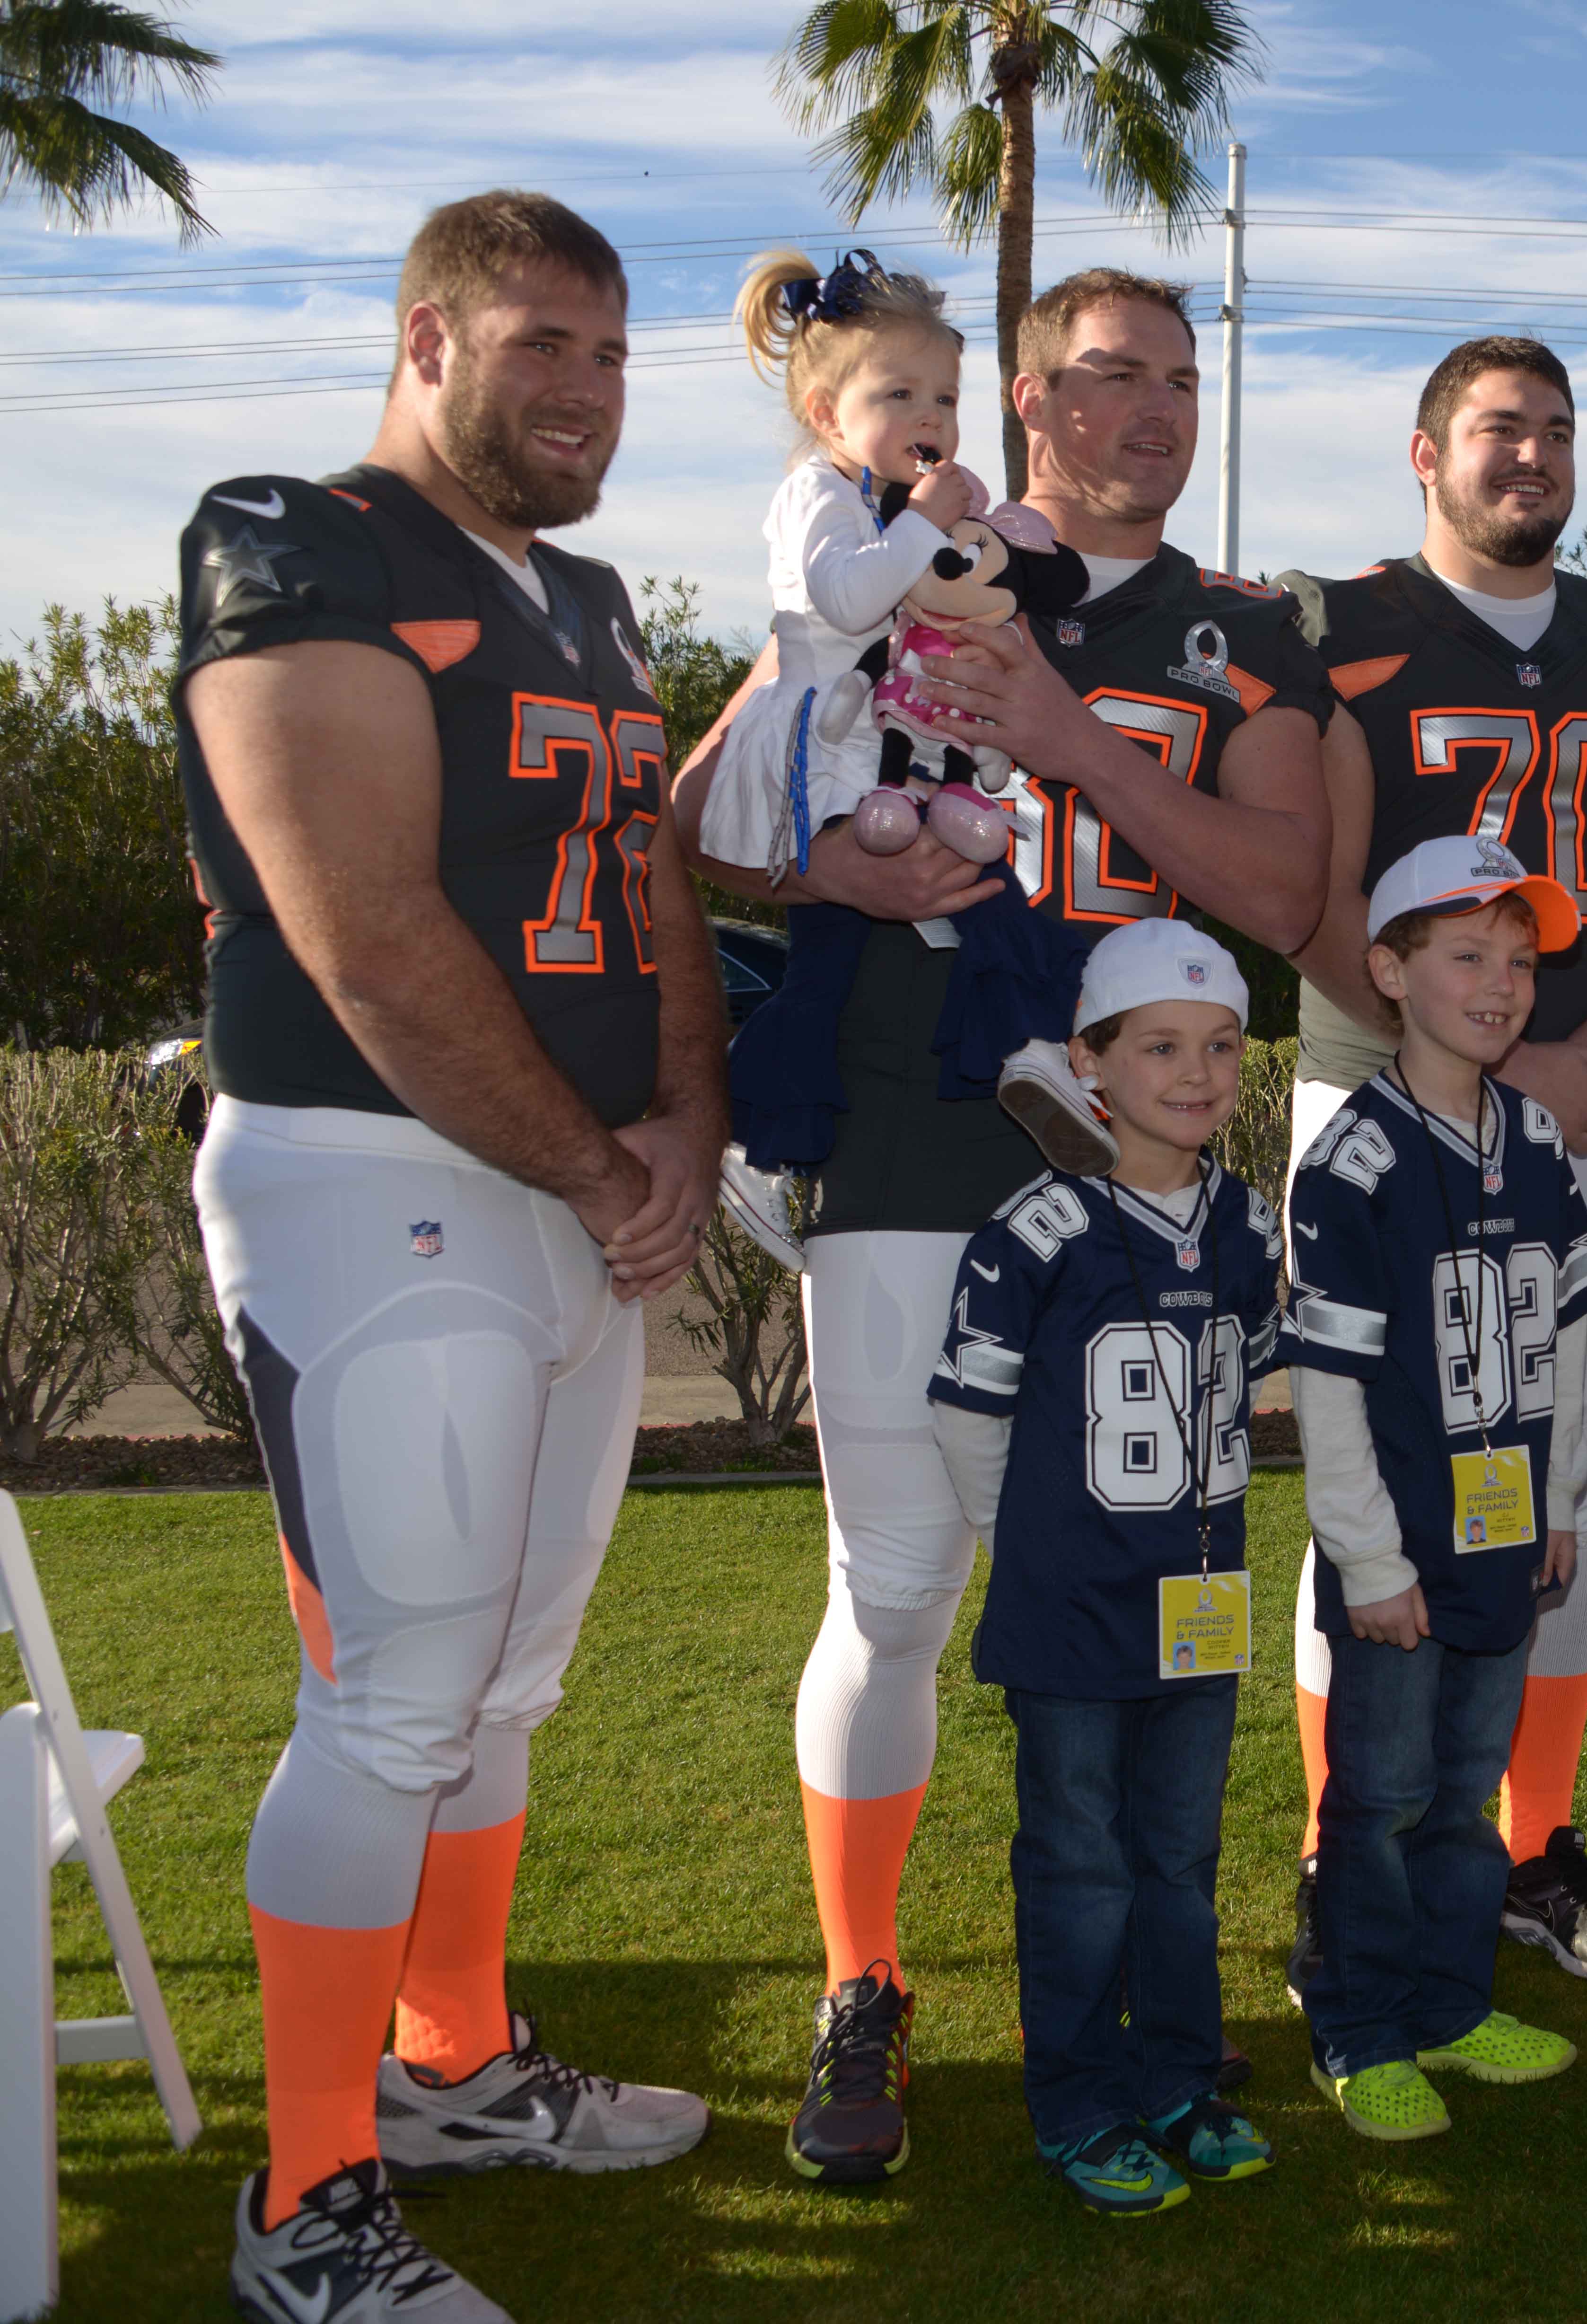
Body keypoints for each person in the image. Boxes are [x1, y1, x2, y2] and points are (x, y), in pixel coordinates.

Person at [667, 267, 1330, 2185]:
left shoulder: (1240, 627)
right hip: (924, 1123)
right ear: (1023, 401)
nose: (1153, 411)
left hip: (1146, 1160)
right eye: (1110, 375)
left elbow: (1290, 900)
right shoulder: (878, 548)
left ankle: (1146, 1995)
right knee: (892, 1585)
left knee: (1150, 1578)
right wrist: (849, 878)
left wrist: (1061, 731)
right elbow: (707, 823)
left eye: (1182, 379)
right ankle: (858, 1982)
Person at [179, 189, 723, 2324]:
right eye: (540, 346)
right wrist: (604, 1169)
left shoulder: (583, 598)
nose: (584, 390)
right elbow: (367, 930)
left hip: (569, 1174)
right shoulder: (296, 536)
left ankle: (455, 2066)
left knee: (501, 1682)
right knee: (391, 1699)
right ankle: (303, 2199)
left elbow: (650, 875)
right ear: (427, 337)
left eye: (608, 353)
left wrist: (686, 1115)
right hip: (369, 1167)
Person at [1277, 336, 1587, 1991]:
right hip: (1385, 1107)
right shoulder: (1345, 628)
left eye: (1554, 428)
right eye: (1495, 429)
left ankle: (1523, 1848)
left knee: (1567, 1501)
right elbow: (1312, 893)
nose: (1528, 455)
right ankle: (1350, 1847)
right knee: (1374, 1488)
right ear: (1424, 453)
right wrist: (1482, 1053)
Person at [925, 917, 1284, 2212]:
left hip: (1198, 1608)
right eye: (1160, 1048)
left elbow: (1249, 1375)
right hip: (1072, 1613)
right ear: (1093, 1064)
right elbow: (969, 1413)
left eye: (1221, 1048)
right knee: (1081, 1866)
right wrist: (1016, 1548)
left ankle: (1181, 2074)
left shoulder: (1245, 1222)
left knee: (1180, 1862)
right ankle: (1078, 2099)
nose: (1194, 1075)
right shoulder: (1036, 1228)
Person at [1287, 836, 1587, 2140]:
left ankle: (1446, 2001)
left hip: (1507, 1540)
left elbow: (1582, 1335)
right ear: (1391, 971)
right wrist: (1368, 1558)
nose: (1502, 984)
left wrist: (1567, 1503)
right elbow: (1326, 1385)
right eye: (1467, 955)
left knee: (1471, 1790)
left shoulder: (1531, 1132)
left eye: (1521, 962)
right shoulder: (1353, 1160)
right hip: (1401, 1555)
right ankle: (1357, 2030)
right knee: (1377, 1804)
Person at [694, 245, 1103, 1183]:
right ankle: (1023, 1051)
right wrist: (924, 523)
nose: (930, 416)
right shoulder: (820, 493)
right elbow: (845, 599)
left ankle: (770, 1131)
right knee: (937, 902)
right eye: (898, 395)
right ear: (826, 414)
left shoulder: (889, 503)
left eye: (947, 398)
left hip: (886, 750)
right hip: (822, 753)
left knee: (848, 954)